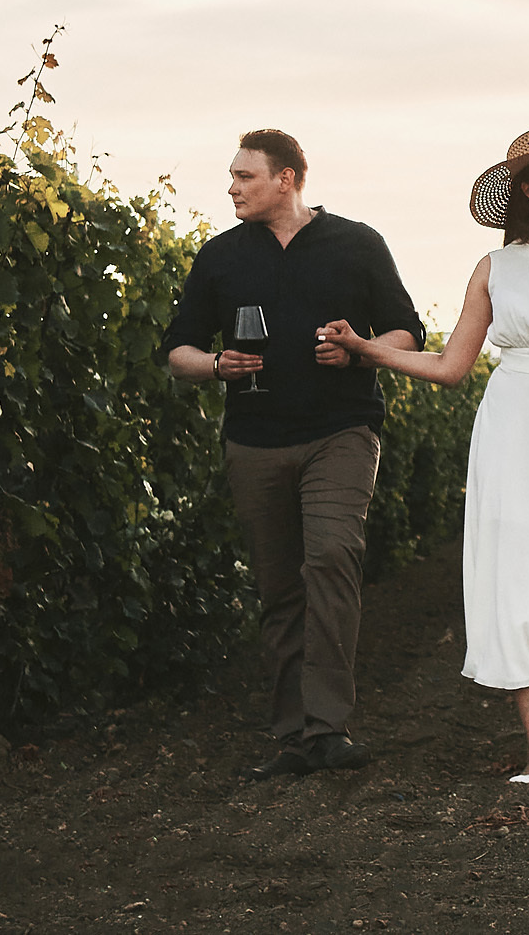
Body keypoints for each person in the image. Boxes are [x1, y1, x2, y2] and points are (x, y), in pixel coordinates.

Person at [322, 125, 529, 784]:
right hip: (511, 422)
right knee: (520, 568)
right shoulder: (493, 268)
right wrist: (365, 347)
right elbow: (449, 366)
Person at [163, 128, 426, 780]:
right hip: (254, 440)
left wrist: (360, 346)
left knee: (332, 558)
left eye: (244, 175)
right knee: (279, 587)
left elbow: (407, 332)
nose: (231, 186)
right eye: (231, 175)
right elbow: (178, 351)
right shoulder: (219, 256)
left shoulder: (357, 243)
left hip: (341, 430)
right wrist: (217, 363)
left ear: (286, 178)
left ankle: (328, 726)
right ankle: (292, 735)